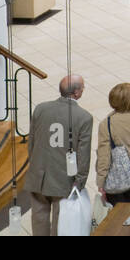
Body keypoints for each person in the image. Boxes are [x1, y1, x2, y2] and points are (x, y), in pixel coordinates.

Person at [24, 74, 93, 236]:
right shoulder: (84, 117)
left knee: (39, 217)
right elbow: (83, 154)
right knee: (60, 220)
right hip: (64, 179)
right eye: (82, 87)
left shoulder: (40, 108)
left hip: (38, 175)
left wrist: (34, 165)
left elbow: (31, 142)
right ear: (76, 93)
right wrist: (80, 180)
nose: (83, 90)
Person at [95, 81, 130, 206]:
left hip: (117, 180)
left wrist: (101, 181)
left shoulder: (106, 124)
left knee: (119, 217)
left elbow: (104, 156)